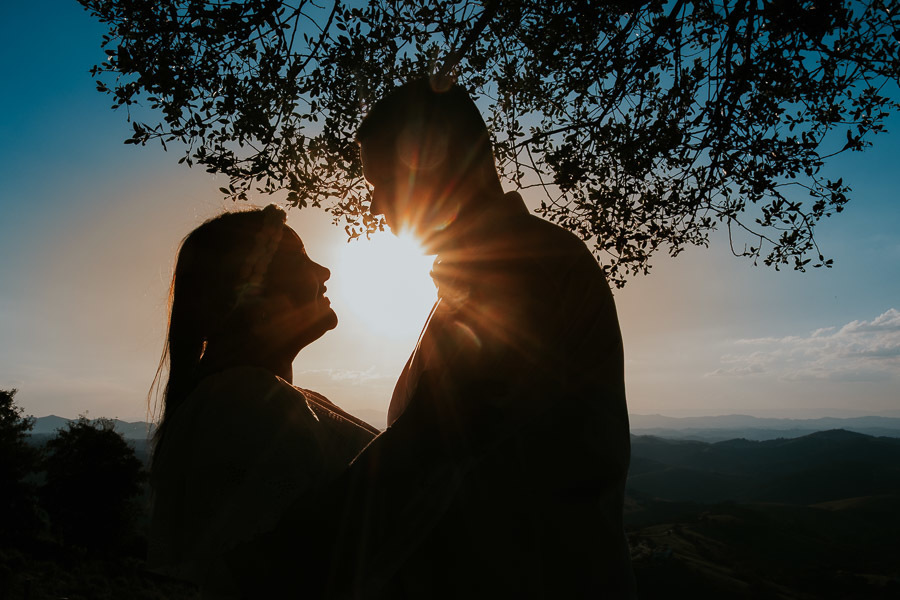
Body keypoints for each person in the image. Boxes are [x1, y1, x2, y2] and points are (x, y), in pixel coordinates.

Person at [230, 78, 635, 599]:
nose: (375, 206)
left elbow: (437, 438)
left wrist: (288, 553)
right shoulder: (483, 277)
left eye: (382, 181)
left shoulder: (523, 268)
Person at [147, 205, 379, 597]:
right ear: (253, 298)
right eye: (299, 260)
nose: (324, 271)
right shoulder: (243, 404)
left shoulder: (266, 399)